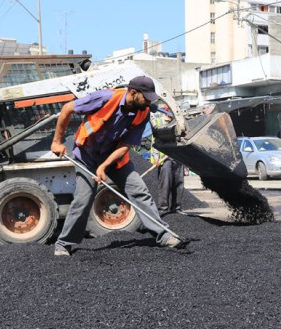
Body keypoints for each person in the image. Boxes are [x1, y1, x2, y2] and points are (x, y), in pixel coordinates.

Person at [50, 76, 189, 256]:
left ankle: (164, 235)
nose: (148, 102)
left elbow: (126, 145)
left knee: (140, 191)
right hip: (87, 155)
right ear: (133, 92)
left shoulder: (143, 112)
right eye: (146, 97)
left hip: (115, 159)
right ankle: (63, 244)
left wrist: (105, 166)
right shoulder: (105, 98)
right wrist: (57, 141)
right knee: (83, 199)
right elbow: (67, 108)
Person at [150, 106, 186, 218]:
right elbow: (155, 141)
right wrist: (156, 158)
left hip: (177, 157)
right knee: (165, 184)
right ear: (168, 111)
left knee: (179, 183)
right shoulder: (159, 121)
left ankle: (177, 208)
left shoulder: (178, 122)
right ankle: (163, 208)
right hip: (164, 159)